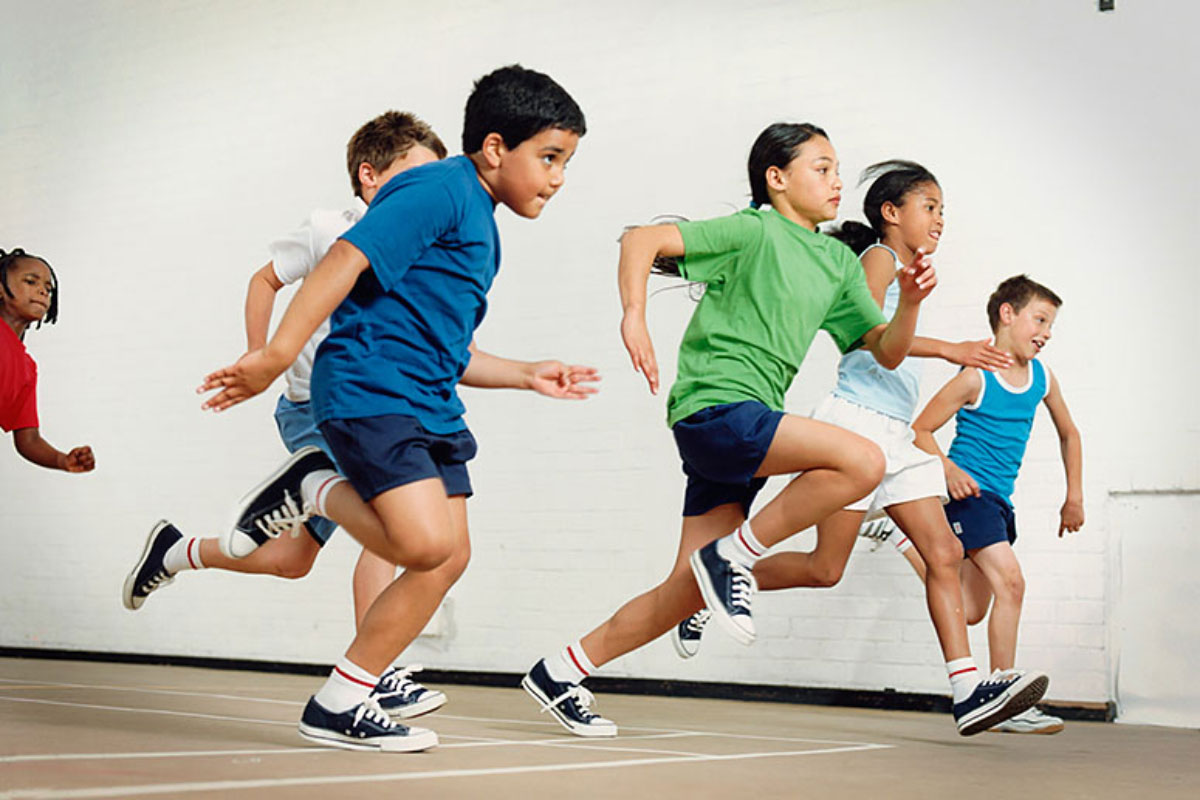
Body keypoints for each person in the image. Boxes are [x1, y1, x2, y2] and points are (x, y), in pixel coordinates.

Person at [197, 64, 591, 753]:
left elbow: (453, 349)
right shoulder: (439, 186)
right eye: (549, 157)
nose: (557, 177)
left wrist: (529, 373)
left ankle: (340, 702)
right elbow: (344, 259)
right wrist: (274, 352)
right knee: (421, 543)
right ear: (495, 148)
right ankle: (312, 486)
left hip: (429, 400)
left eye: (566, 162)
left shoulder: (483, 228)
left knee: (447, 557)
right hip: (371, 386)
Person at [521, 122, 938, 738]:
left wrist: (909, 304)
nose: (836, 181)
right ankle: (733, 558)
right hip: (716, 407)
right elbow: (640, 240)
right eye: (820, 168)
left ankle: (560, 671)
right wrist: (633, 315)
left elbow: (886, 351)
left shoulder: (835, 262)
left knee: (683, 591)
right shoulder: (753, 229)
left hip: (745, 426)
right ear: (777, 179)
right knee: (863, 462)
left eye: (836, 169)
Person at [668, 161, 1048, 736]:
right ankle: (703, 589)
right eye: (930, 206)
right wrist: (949, 349)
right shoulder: (878, 259)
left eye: (943, 209)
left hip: (897, 433)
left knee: (942, 555)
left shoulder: (909, 270)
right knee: (826, 570)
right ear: (891, 214)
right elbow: (870, 340)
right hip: (861, 424)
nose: (940, 219)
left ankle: (967, 690)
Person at [121, 111, 450, 718]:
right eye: (418, 174)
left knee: (290, 559)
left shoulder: (419, 238)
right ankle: (377, 675)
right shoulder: (332, 227)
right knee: (394, 526)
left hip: (380, 408)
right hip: (320, 406)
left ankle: (175, 550)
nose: (432, 189)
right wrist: (261, 354)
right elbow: (263, 280)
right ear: (370, 176)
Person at [912, 274, 1083, 735]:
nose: (1046, 332)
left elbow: (1070, 433)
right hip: (970, 498)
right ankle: (1006, 698)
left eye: (1051, 325)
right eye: (1040, 319)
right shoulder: (974, 376)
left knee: (970, 610)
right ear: (1008, 314)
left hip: (999, 503)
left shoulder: (1042, 378)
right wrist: (947, 469)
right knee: (1012, 582)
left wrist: (1074, 495)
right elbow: (920, 430)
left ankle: (907, 545)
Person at [1, 248, 95, 474]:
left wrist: (62, 460)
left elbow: (29, 439)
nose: (42, 291)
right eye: (31, 281)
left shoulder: (26, 368)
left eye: (48, 288)